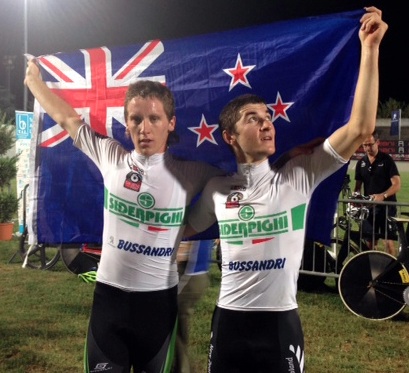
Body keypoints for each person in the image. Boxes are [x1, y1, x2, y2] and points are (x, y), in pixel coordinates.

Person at [183, 7, 388, 373]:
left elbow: (360, 127)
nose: (266, 124)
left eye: (268, 117)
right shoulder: (217, 189)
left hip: (280, 326)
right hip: (228, 322)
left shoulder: (300, 174)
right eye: (253, 119)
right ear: (230, 137)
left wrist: (369, 49)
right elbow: (182, 228)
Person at [24, 64, 223, 372]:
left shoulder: (193, 172)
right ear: (127, 123)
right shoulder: (111, 156)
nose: (144, 128)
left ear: (171, 123)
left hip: (158, 309)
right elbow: (66, 118)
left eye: (154, 118)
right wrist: (34, 82)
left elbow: (242, 183)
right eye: (136, 119)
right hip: (109, 303)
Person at [354, 129, 401, 256]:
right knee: (370, 243)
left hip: (387, 207)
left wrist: (383, 196)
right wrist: (356, 199)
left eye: (370, 144)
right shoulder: (360, 163)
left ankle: (393, 272)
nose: (368, 148)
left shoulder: (387, 160)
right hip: (369, 208)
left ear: (377, 142)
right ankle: (373, 272)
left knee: (388, 243)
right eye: (365, 145)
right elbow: (358, 187)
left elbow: (397, 184)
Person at [173, 239, 215, 373]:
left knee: (171, 319)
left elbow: (187, 244)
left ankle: (182, 368)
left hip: (191, 271)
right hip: (195, 271)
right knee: (175, 322)